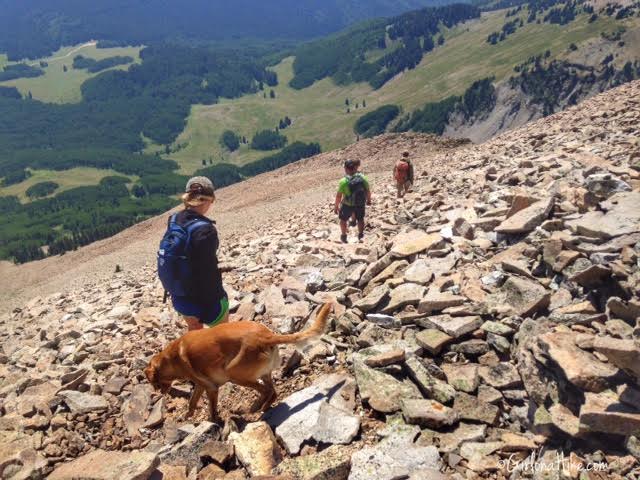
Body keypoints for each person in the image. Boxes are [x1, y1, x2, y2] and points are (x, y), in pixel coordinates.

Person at [158, 176, 229, 331]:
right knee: (223, 335)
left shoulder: (174, 219)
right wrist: (218, 297)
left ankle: (197, 351)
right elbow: (207, 271)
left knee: (194, 329)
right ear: (209, 199)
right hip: (205, 302)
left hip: (180, 298)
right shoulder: (205, 230)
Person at [335, 159, 371, 243]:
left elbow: (338, 196)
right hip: (360, 203)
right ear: (355, 167)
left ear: (346, 169)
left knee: (343, 220)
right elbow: (367, 190)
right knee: (360, 219)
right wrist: (368, 200)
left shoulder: (343, 181)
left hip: (347, 204)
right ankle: (361, 234)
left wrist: (336, 207)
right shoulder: (362, 177)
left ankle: (344, 236)